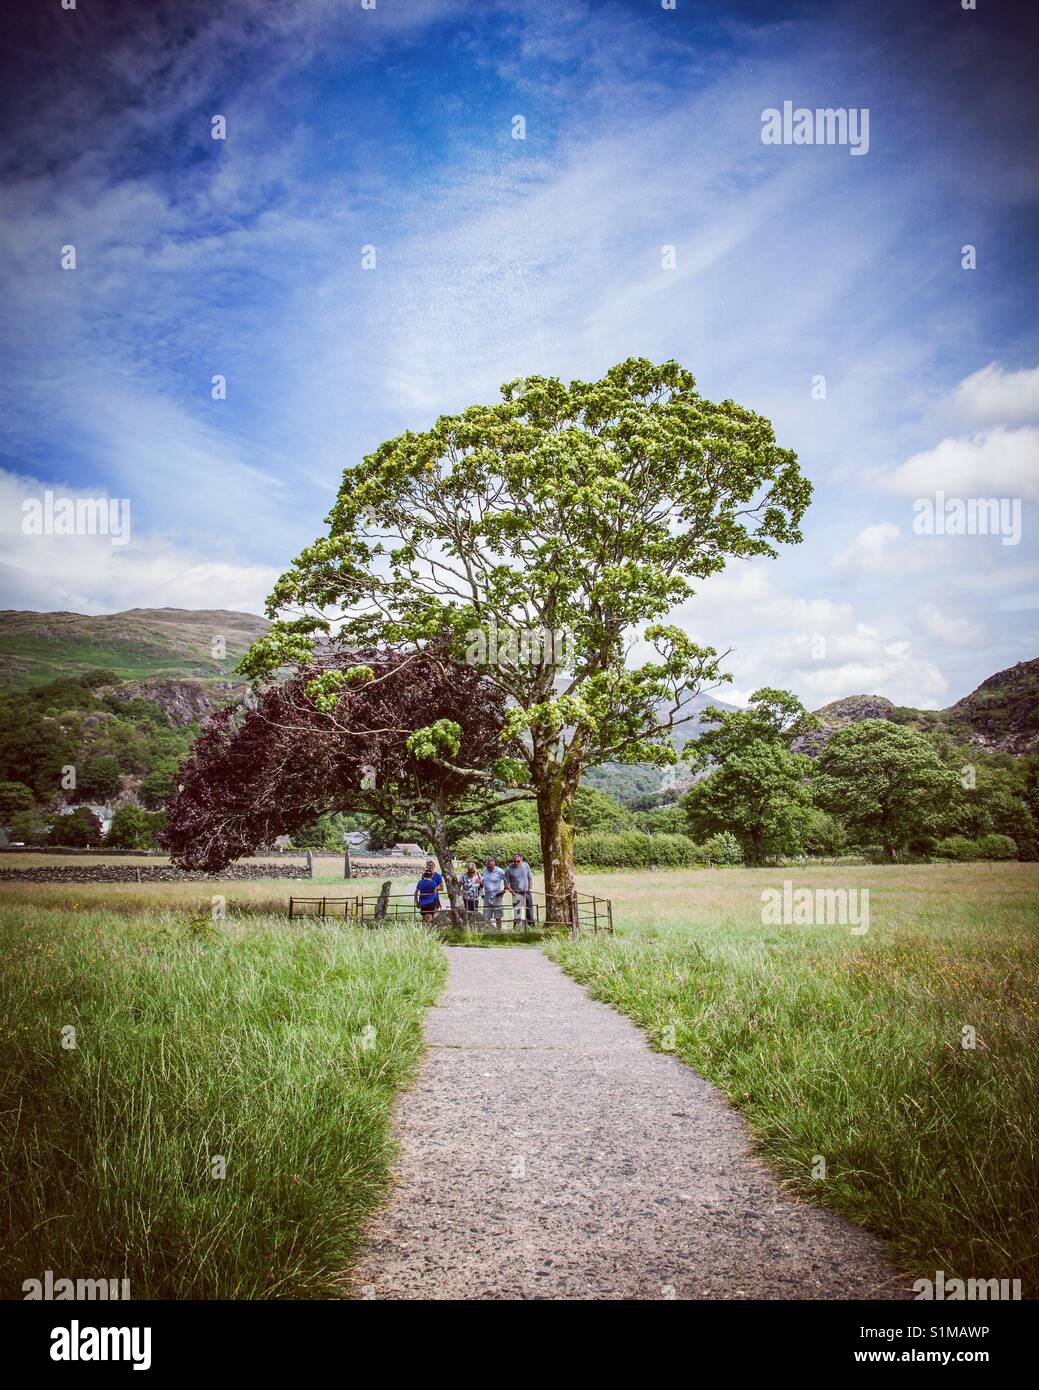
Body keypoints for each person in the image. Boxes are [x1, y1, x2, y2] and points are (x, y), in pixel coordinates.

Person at [505, 851, 535, 924]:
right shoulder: (509, 869)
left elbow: (530, 878)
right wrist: (514, 893)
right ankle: (517, 929)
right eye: (514, 861)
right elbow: (506, 884)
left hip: (527, 893)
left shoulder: (526, 865)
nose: (516, 863)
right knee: (517, 914)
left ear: (522, 859)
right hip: (516, 893)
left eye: (518, 861)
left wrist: (530, 889)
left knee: (530, 913)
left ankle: (532, 928)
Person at [414, 859, 444, 925]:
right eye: (429, 865)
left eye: (432, 865)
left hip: (435, 898)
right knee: (425, 917)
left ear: (434, 866)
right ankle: (427, 929)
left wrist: (436, 888)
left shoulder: (438, 876)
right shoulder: (424, 876)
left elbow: (442, 888)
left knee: (434, 915)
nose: (431, 867)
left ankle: (433, 927)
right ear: (427, 866)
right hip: (426, 899)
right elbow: (422, 886)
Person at [481, 857, 507, 925]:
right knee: (486, 917)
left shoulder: (500, 871)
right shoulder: (484, 870)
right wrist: (481, 892)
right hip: (487, 896)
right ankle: (488, 932)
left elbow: (507, 881)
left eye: (491, 867)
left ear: (494, 864)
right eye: (488, 867)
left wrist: (503, 891)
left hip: (497, 897)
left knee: (498, 917)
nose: (489, 868)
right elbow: (483, 881)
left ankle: (499, 932)